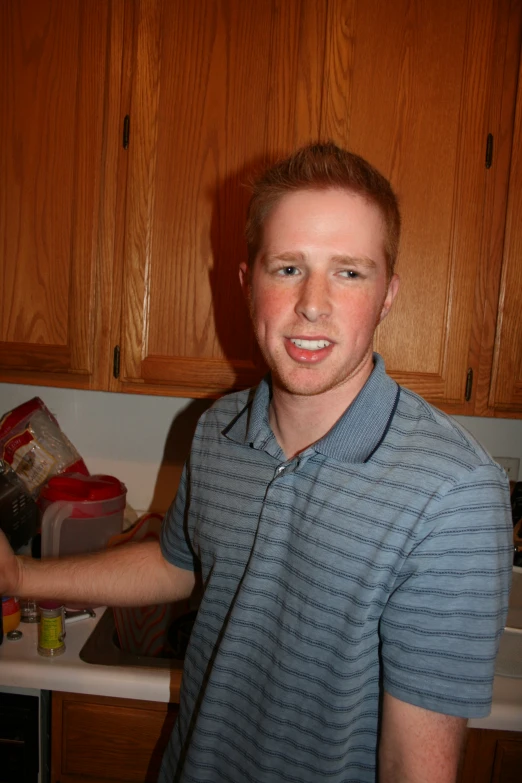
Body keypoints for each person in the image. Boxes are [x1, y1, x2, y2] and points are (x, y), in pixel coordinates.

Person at [0, 142, 513, 782]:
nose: (313, 304)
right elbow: (175, 563)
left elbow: (416, 766)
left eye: (349, 272)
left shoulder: (453, 493)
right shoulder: (218, 427)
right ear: (248, 284)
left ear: (387, 296)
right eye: (288, 268)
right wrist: (19, 576)